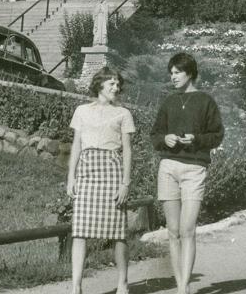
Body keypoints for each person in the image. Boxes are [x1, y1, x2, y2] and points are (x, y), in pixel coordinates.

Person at [151, 51, 224, 294]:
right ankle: (180, 285)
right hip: (168, 168)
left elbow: (217, 135)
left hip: (194, 168)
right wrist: (166, 138)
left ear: (190, 73)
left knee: (188, 230)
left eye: (177, 72)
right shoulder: (169, 102)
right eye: (170, 73)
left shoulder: (205, 101)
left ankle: (184, 287)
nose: (173, 77)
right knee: (172, 232)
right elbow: (154, 135)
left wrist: (196, 139)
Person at [67, 66, 134, 294]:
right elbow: (76, 145)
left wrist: (125, 183)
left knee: (118, 232)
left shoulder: (123, 114)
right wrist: (71, 178)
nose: (116, 88)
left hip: (112, 172)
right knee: (80, 230)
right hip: (86, 172)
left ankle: (122, 282)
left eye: (117, 84)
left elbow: (127, 150)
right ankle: (76, 286)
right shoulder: (82, 111)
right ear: (100, 85)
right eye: (112, 83)